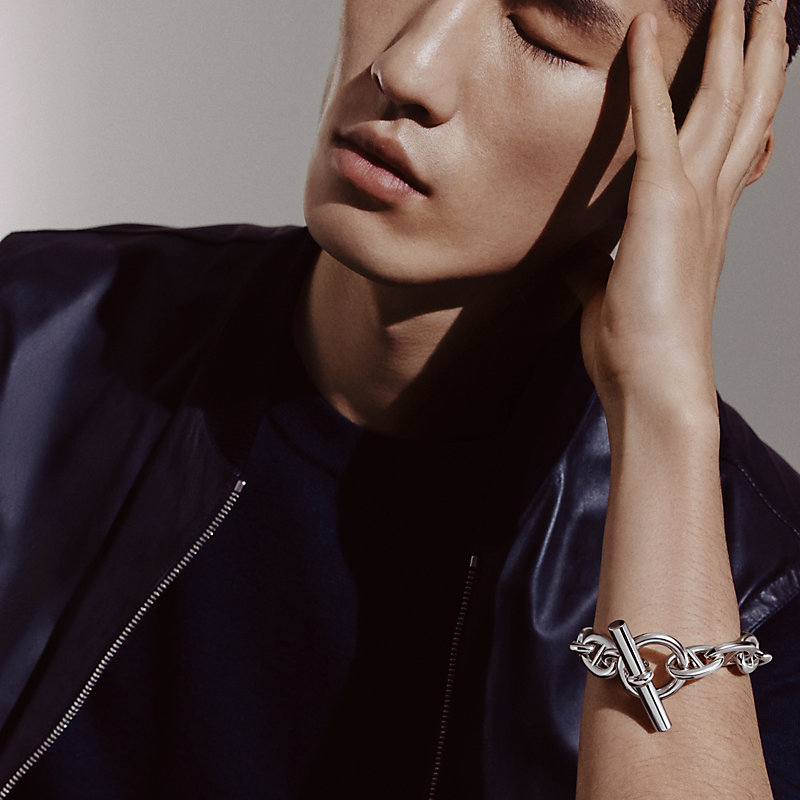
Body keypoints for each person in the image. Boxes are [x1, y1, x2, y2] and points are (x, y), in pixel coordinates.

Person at [0, 0, 798, 798]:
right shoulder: (29, 340)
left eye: (542, 35)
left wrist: (661, 416)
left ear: (715, 139)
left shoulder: (769, 593)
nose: (409, 68)